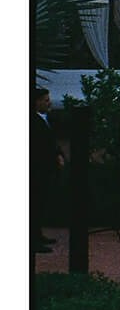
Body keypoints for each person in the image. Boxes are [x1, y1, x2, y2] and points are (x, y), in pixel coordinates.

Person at [32, 87, 63, 253]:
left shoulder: (45, 119)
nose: (49, 102)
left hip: (45, 169)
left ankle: (37, 234)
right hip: (37, 169)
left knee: (39, 203)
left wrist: (58, 154)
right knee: (34, 204)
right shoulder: (33, 122)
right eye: (45, 100)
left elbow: (52, 142)